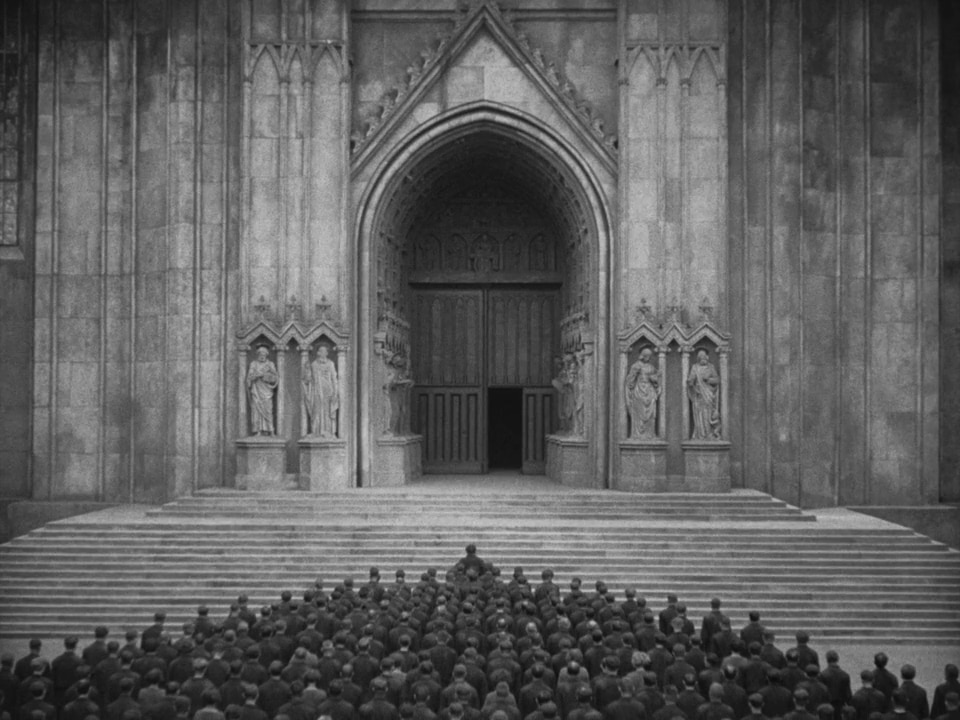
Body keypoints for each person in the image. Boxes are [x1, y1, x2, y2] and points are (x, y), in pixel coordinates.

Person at [303, 345, 340, 438]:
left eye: (323, 351)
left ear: (326, 353)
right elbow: (308, 380)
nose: (320, 353)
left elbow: (334, 379)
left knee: (327, 412)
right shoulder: (314, 364)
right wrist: (307, 370)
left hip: (328, 391)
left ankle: (328, 432)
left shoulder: (330, 364)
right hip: (316, 391)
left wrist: (335, 392)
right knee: (316, 411)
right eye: (319, 351)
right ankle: (315, 432)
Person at [625, 348, 660, 440]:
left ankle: (650, 434)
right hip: (639, 391)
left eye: (649, 356)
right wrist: (634, 377)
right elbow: (630, 381)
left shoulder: (651, 367)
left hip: (650, 392)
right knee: (638, 413)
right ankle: (637, 435)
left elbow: (656, 380)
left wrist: (655, 379)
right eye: (647, 356)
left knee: (651, 413)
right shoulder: (636, 366)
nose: (648, 358)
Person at [687, 349, 720, 440]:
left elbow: (717, 380)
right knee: (699, 414)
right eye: (700, 357)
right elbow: (691, 379)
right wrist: (691, 382)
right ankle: (700, 434)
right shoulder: (695, 367)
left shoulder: (711, 367)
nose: (703, 358)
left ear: (707, 357)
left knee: (708, 414)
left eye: (704, 356)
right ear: (698, 358)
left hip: (708, 394)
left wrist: (708, 380)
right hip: (698, 395)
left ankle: (709, 433)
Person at [247, 345, 279, 435]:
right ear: (258, 355)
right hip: (256, 391)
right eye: (260, 354)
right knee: (256, 411)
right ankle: (258, 431)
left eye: (264, 355)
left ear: (266, 355)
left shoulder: (270, 364)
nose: (262, 356)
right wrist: (256, 375)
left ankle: (271, 430)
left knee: (268, 410)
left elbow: (275, 378)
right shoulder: (253, 364)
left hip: (267, 391)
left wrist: (265, 376)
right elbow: (249, 377)